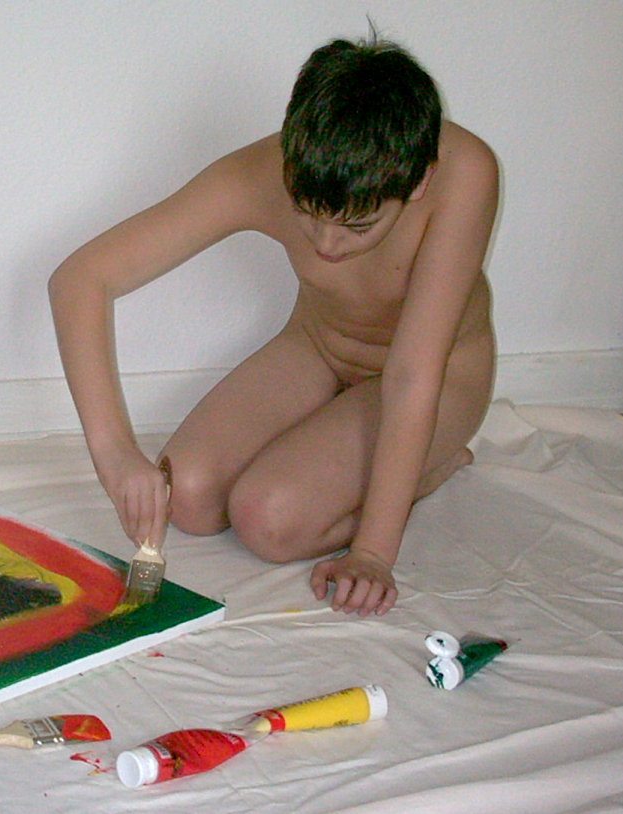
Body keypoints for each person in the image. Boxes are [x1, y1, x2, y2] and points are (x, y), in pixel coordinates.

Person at [48, 35, 498, 617]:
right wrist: (114, 451)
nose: (327, 245)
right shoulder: (262, 173)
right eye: (308, 215)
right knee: (186, 495)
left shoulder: (466, 173)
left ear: (417, 182)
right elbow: (81, 279)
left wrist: (373, 552)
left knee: (268, 519)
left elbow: (413, 374)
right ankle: (346, 452)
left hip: (436, 378)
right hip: (320, 347)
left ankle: (430, 468)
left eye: (358, 227)